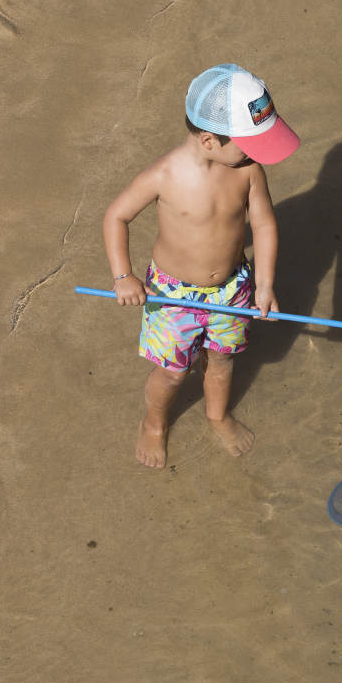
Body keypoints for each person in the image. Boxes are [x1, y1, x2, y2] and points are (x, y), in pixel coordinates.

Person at [103, 63, 299, 468]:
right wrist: (124, 276)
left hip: (232, 287)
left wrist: (263, 285)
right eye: (250, 143)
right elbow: (116, 217)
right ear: (210, 140)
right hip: (172, 295)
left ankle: (217, 415)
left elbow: (262, 224)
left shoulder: (248, 171)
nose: (256, 154)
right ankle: (155, 423)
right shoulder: (164, 175)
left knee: (223, 359)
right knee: (173, 372)